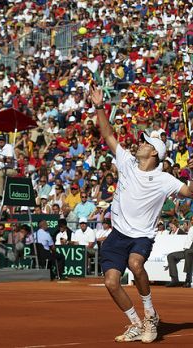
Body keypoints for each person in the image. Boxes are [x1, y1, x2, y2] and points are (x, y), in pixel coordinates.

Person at [90, 87, 193, 343]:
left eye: (145, 142)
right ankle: (136, 323)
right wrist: (99, 106)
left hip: (141, 237)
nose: (139, 142)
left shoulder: (163, 179)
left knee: (136, 265)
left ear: (154, 153)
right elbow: (106, 133)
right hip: (118, 235)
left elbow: (189, 192)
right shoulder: (126, 161)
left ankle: (150, 315)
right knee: (112, 283)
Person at [165, 217, 193, 288]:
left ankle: (188, 281)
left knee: (188, 254)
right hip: (187, 250)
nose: (192, 221)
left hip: (190, 251)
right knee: (170, 256)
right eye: (191, 220)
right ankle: (174, 279)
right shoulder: (191, 228)